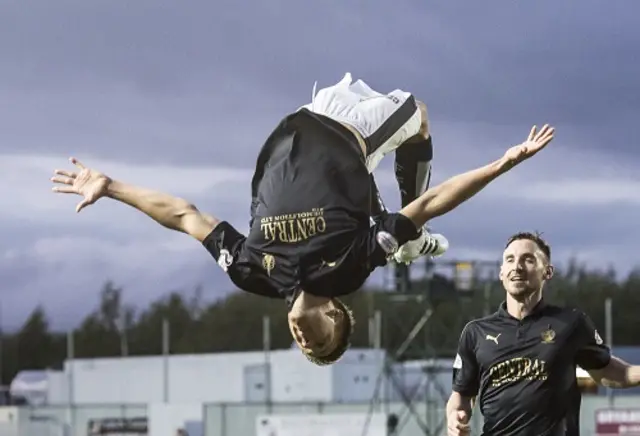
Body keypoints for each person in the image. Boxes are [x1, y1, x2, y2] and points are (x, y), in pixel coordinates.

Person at [50, 73, 555, 366]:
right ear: (335, 314)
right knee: (418, 116)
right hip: (356, 131)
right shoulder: (348, 270)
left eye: (300, 342)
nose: (302, 336)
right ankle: (408, 242)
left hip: (304, 114)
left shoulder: (253, 273)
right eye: (316, 338)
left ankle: (407, 242)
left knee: (395, 214)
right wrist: (502, 164)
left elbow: (185, 216)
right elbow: (433, 200)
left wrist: (112, 187)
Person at [446, 232, 640, 436]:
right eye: (510, 260)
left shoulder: (571, 323)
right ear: (501, 272)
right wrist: (454, 417)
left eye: (528, 259)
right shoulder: (475, 332)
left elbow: (610, 372)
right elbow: (461, 396)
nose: (517, 267)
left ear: (547, 272)